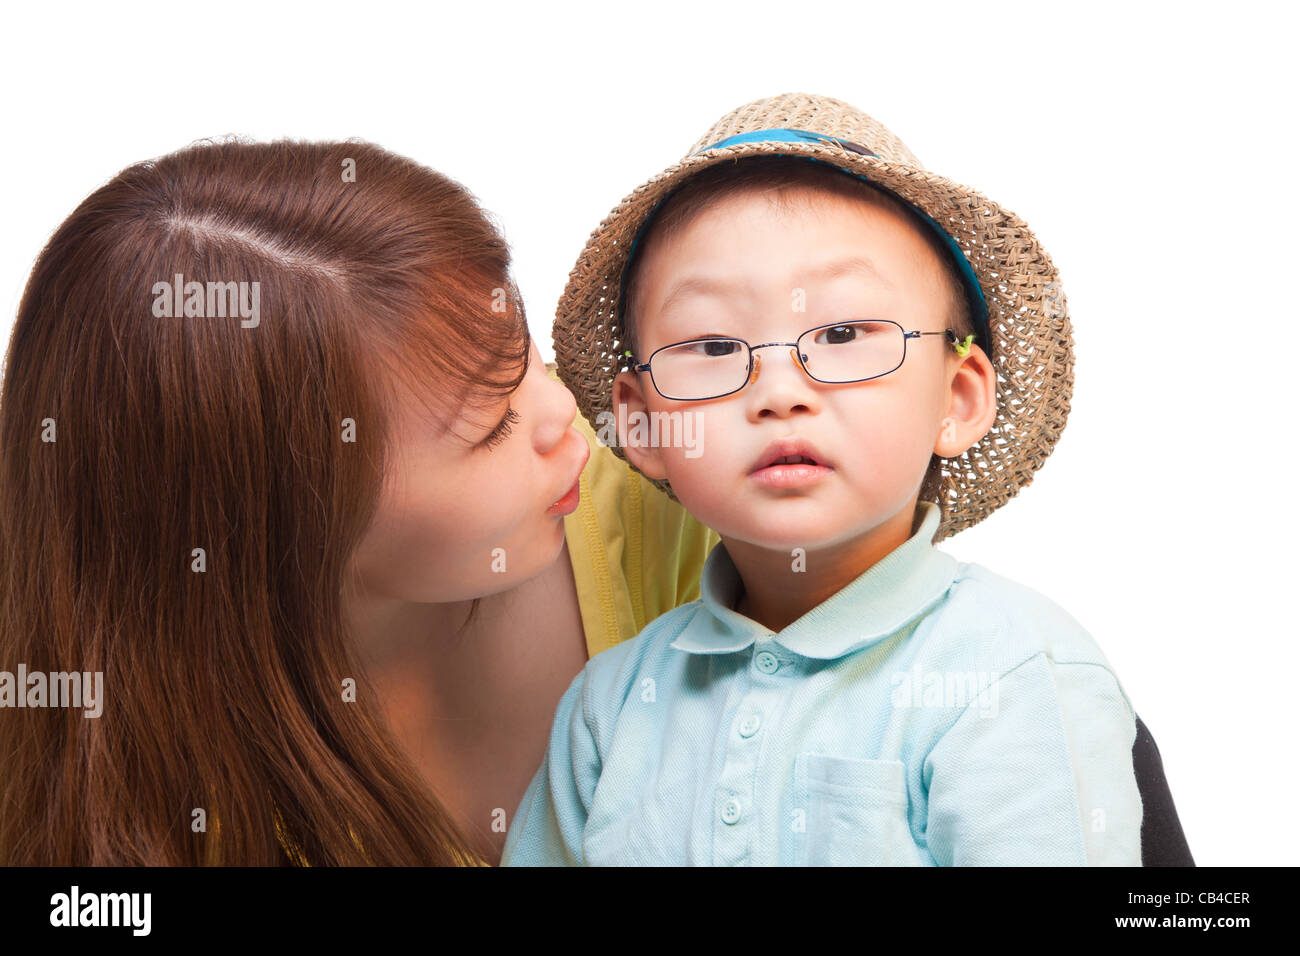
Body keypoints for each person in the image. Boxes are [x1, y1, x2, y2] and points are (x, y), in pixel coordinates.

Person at [0, 137, 717, 865]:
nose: (562, 407)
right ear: (290, 525)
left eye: (520, 346)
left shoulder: (682, 499)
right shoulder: (150, 810)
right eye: (490, 423)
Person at [503, 92, 1163, 865]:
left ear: (957, 398)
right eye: (714, 346)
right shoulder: (608, 708)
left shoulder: (1011, 675)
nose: (780, 392)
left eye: (845, 333)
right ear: (643, 423)